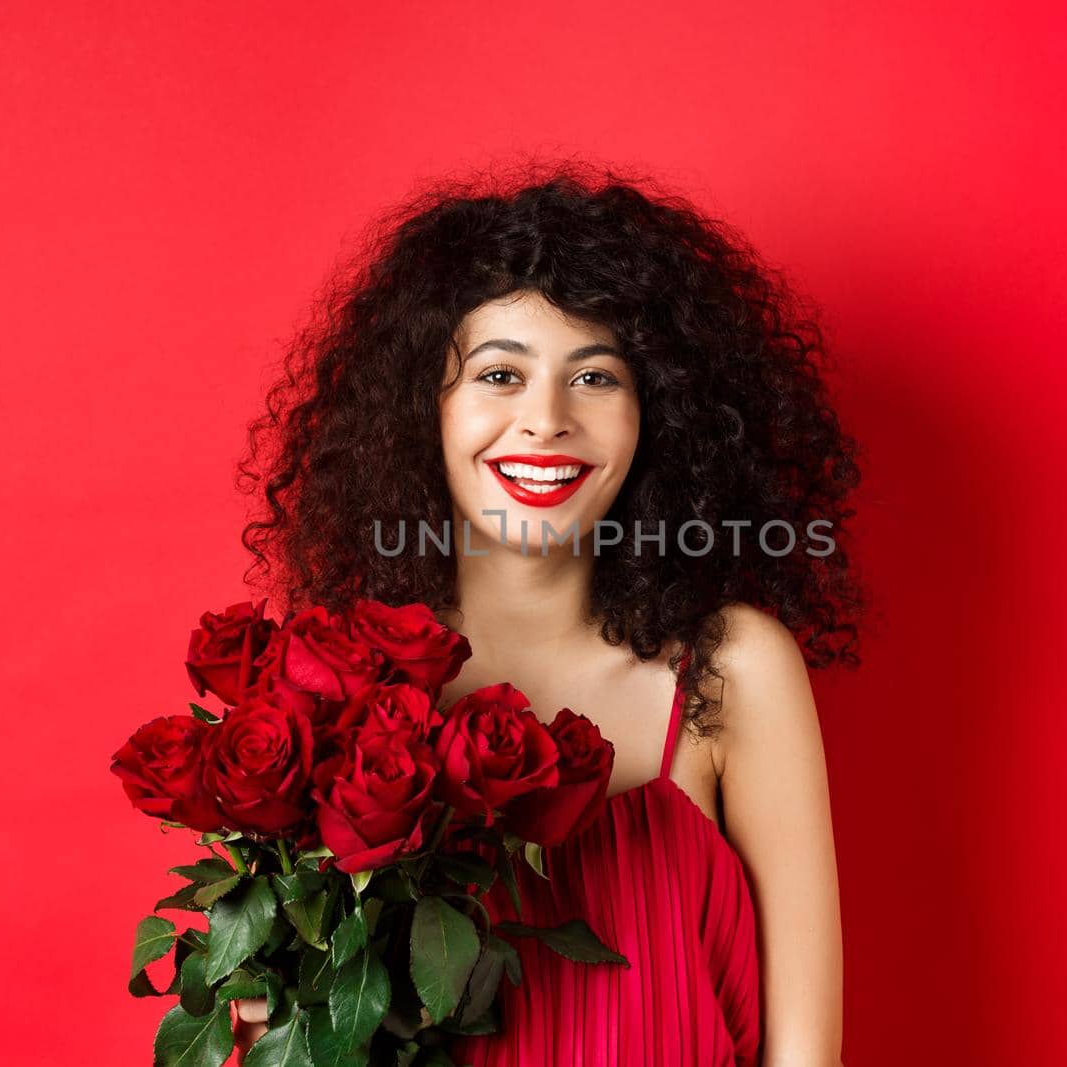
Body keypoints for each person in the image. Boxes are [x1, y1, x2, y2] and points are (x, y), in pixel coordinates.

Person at [230, 161, 863, 1065]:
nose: (546, 420)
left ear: (660, 416)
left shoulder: (733, 668)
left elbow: (807, 1056)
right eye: (498, 374)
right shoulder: (338, 686)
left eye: (596, 377)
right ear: (425, 409)